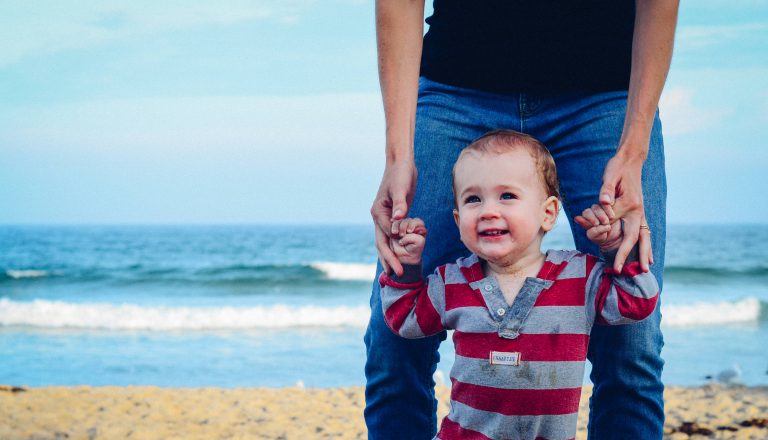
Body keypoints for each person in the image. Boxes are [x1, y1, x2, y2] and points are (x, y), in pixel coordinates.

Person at [366, 1, 679, 438]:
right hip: (454, 89)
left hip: (606, 93)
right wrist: (399, 156)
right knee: (391, 343)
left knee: (633, 347)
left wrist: (633, 151)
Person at [378, 130, 659, 440]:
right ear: (458, 221)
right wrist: (407, 267)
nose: (488, 211)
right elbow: (404, 319)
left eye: (507, 196)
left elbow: (637, 301)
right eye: (473, 199)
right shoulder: (451, 281)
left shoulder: (580, 277)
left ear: (548, 213)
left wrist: (619, 249)